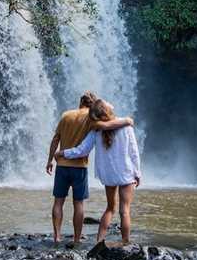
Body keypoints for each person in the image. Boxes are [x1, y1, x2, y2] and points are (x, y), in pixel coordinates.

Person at [45, 91, 133, 247]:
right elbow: (113, 126)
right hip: (81, 167)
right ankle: (78, 239)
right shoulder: (93, 121)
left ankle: (57, 237)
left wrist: (51, 159)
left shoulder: (66, 115)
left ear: (80, 102)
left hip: (63, 165)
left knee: (58, 202)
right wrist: (127, 120)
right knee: (79, 204)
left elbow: (58, 139)